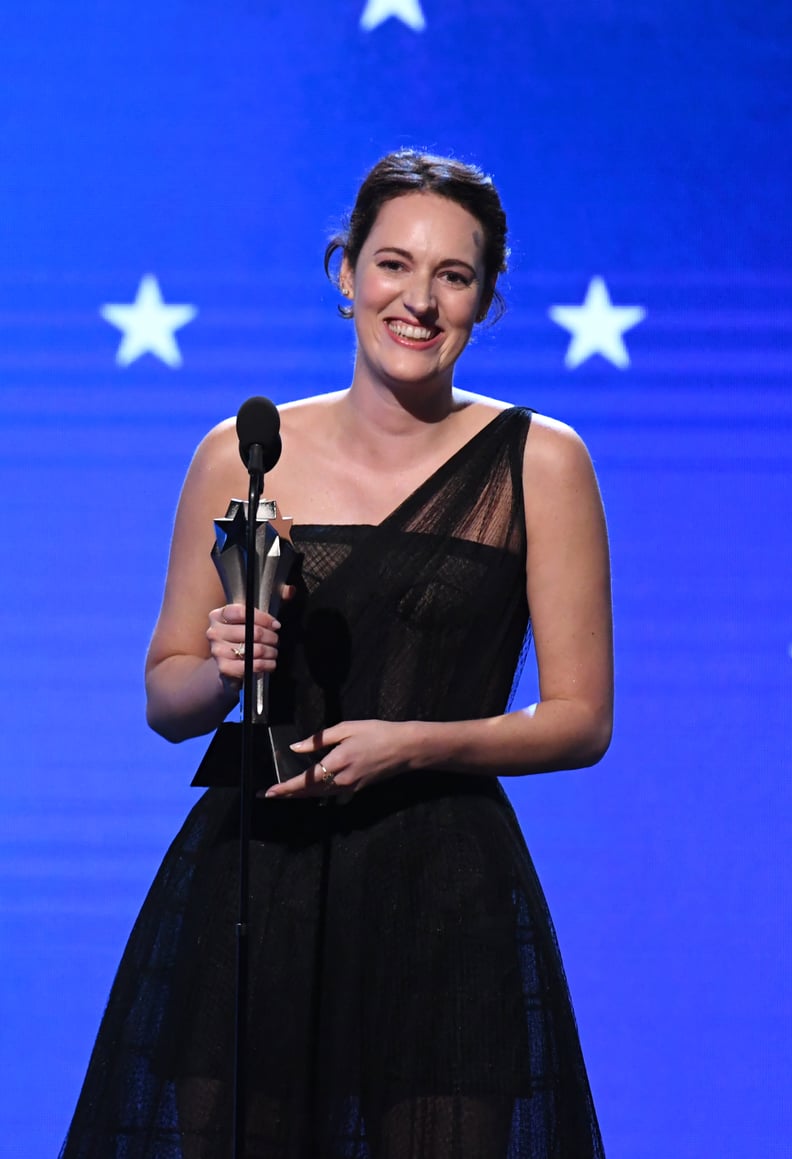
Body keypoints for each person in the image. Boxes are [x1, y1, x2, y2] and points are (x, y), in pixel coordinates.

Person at [60, 149, 613, 1158]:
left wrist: (412, 745)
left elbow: (580, 718)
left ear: (486, 300)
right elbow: (166, 695)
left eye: (455, 275)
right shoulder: (242, 451)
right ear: (345, 273)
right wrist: (223, 666)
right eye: (394, 264)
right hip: (257, 883)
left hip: (445, 892)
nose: (420, 299)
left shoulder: (543, 461)